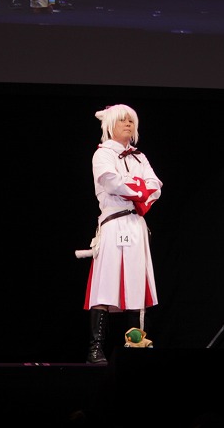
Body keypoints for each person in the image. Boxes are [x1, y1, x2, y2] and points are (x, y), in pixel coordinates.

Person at [82, 104, 162, 364]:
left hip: (136, 225)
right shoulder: (103, 154)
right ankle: (95, 349)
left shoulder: (139, 157)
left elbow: (156, 186)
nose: (128, 124)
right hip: (113, 223)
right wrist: (140, 189)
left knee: (137, 286)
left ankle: (135, 346)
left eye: (131, 120)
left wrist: (137, 189)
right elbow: (111, 182)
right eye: (123, 120)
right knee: (104, 286)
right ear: (110, 124)